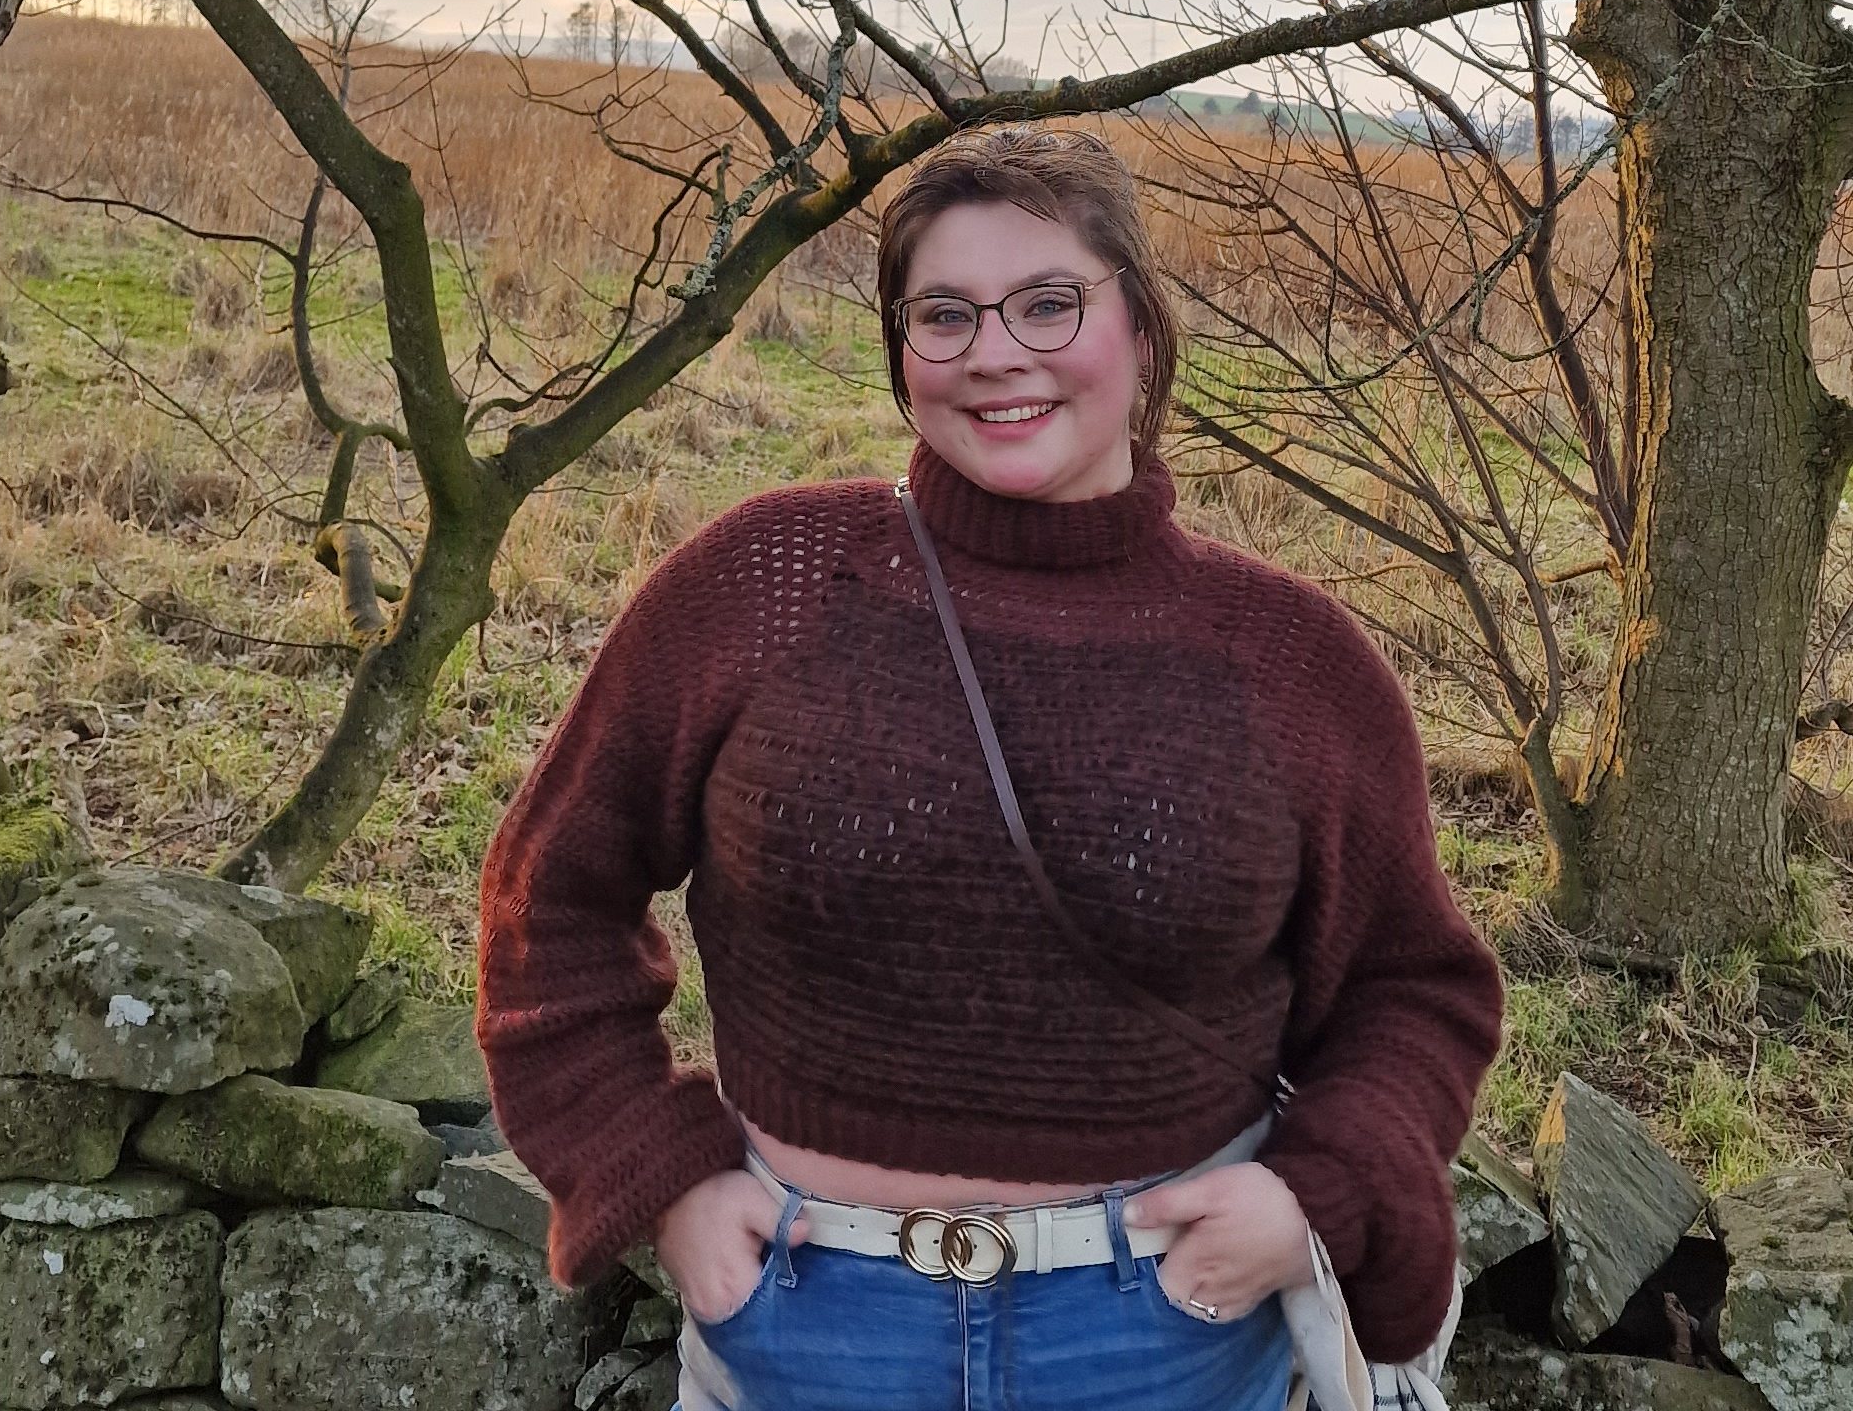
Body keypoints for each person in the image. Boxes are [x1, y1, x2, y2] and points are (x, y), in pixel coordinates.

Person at [477, 127, 1504, 1411]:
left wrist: (1316, 1192)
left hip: (1161, 1335)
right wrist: (663, 1174)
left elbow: (1416, 988)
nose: (996, 351)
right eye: (944, 314)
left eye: (1047, 302)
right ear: (902, 352)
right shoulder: (766, 584)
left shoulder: (1289, 660)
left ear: (1140, 325)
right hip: (802, 1324)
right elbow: (549, 896)